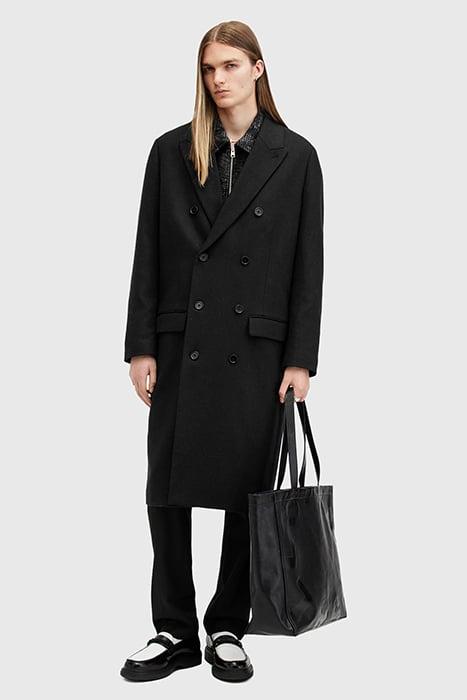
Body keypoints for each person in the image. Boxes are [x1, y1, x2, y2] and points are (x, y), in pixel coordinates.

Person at [120, 20, 324, 684]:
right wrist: (140, 345)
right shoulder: (171, 150)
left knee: (247, 489)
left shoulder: (295, 157)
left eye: (230, 65)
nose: (217, 79)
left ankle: (228, 624)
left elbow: (307, 266)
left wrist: (300, 358)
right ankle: (173, 629)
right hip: (181, 342)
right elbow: (148, 252)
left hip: (256, 348)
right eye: (208, 68)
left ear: (257, 69)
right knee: (165, 489)